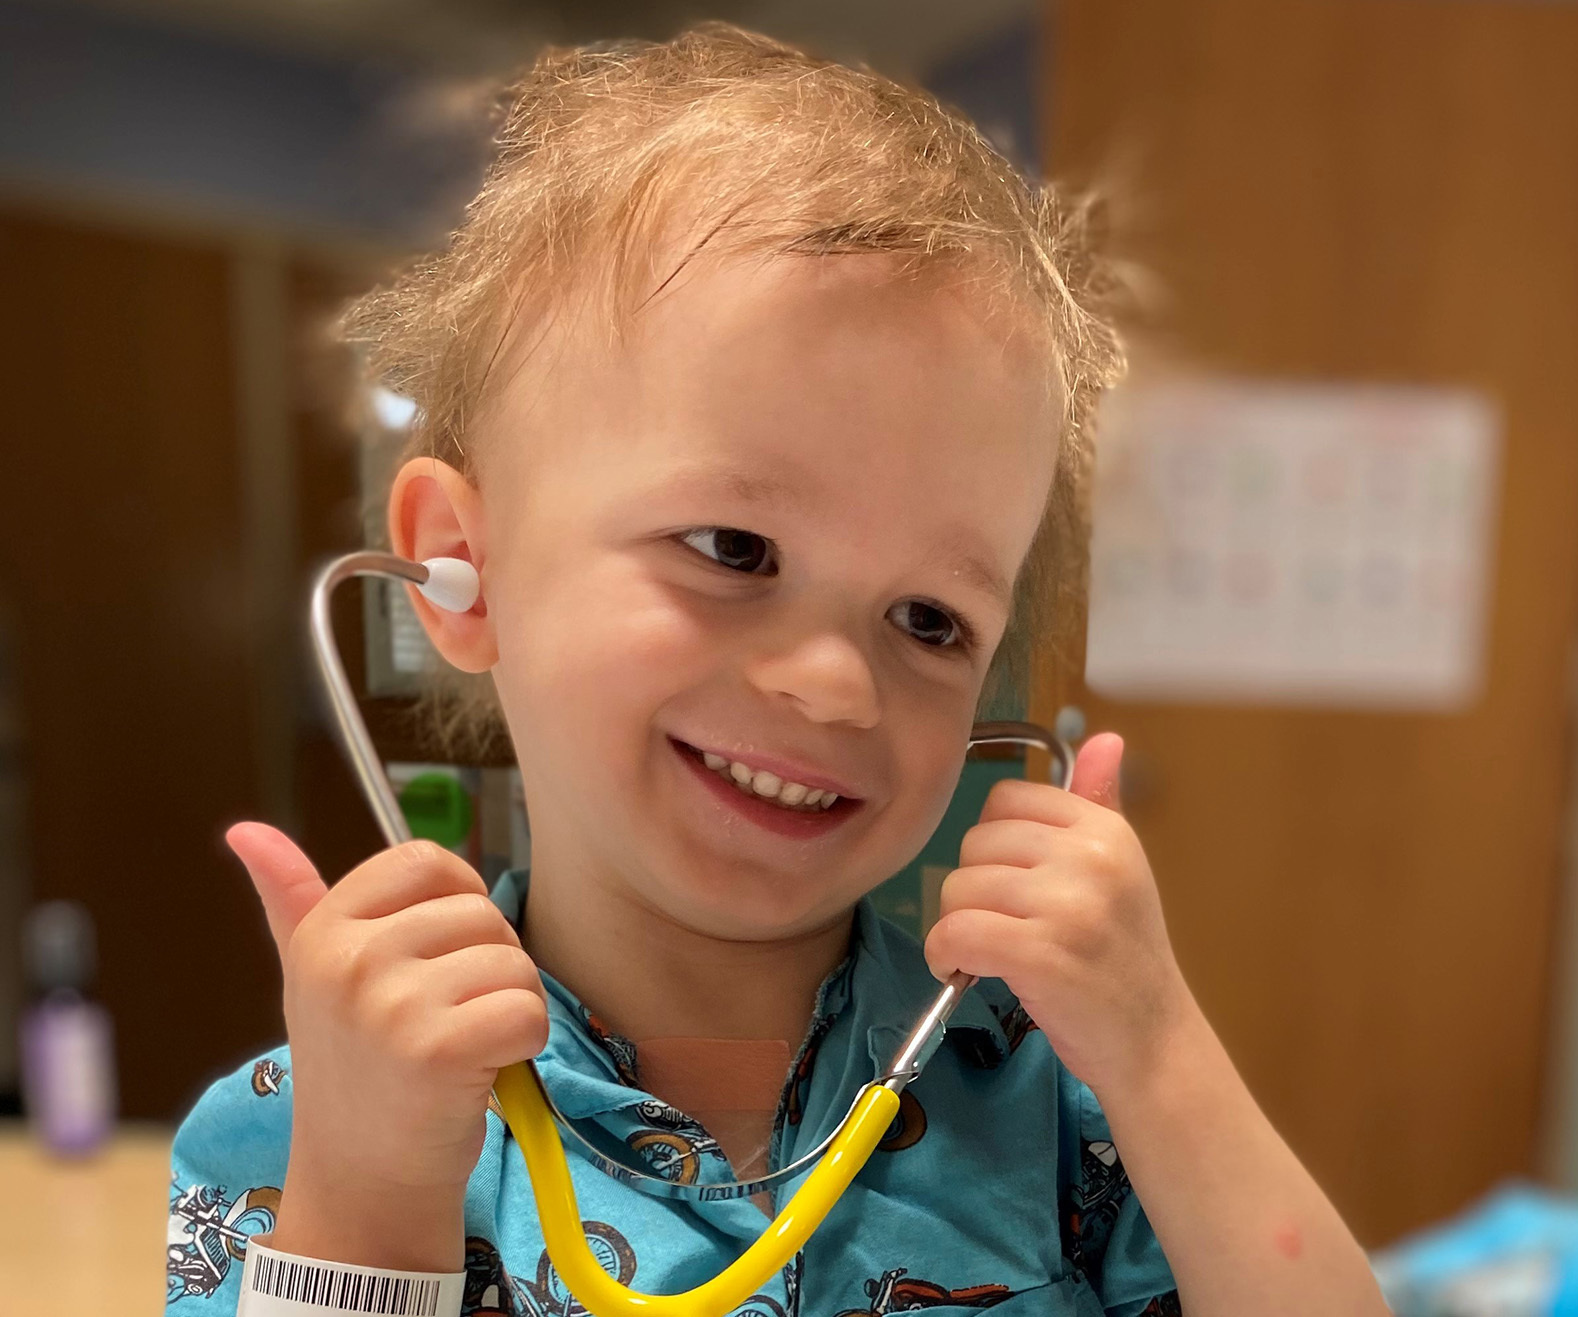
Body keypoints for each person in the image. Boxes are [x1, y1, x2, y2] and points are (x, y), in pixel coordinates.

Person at [167, 24, 1387, 1317]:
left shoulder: (1061, 1108)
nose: (832, 685)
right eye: (733, 547)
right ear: (465, 568)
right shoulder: (325, 1113)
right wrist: (368, 1192)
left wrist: (1162, 1051)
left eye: (928, 618)